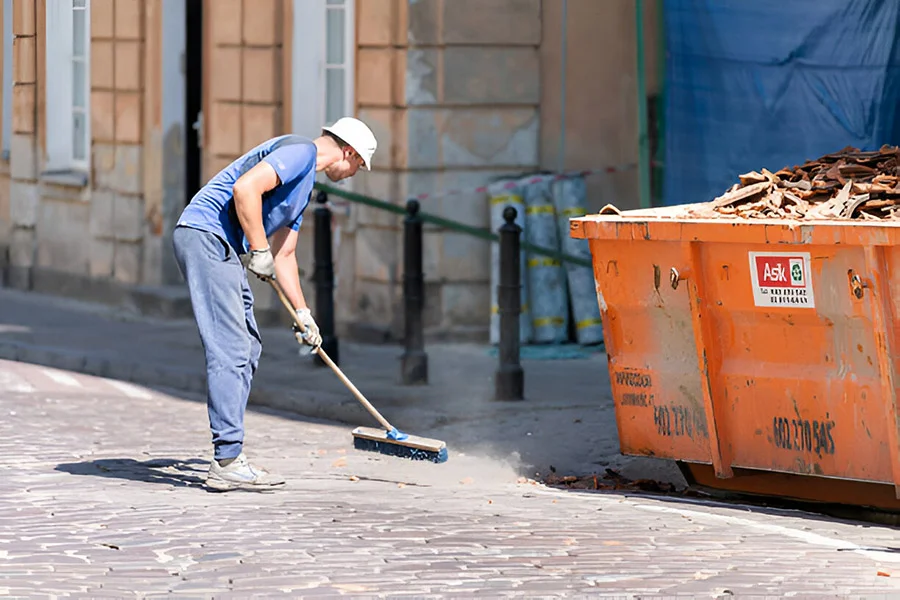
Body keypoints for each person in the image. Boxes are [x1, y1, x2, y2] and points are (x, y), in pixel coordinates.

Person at [172, 117, 377, 492]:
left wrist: (304, 314)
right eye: (358, 165)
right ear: (347, 152)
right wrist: (258, 247)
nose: (353, 174)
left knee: (248, 346)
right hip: (206, 237)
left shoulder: (303, 185)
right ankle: (228, 460)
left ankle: (229, 453)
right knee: (230, 348)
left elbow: (285, 254)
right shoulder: (300, 152)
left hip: (223, 248)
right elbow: (245, 188)